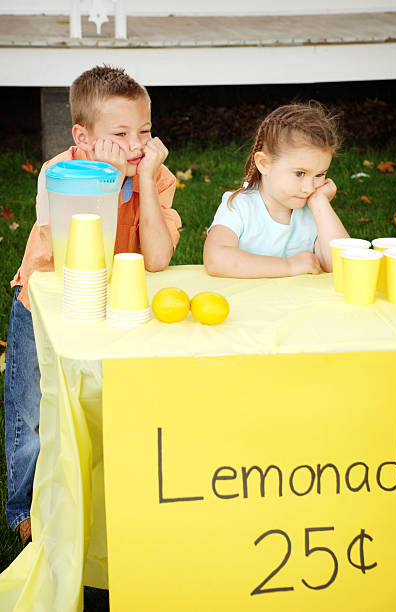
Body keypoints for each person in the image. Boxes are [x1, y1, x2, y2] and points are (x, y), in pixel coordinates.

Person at [4, 65, 181, 547]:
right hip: (44, 304)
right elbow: (80, 251)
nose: (136, 143)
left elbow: (159, 258)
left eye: (144, 131)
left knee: (104, 405)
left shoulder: (156, 176)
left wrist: (141, 178)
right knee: (31, 411)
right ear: (83, 135)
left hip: (113, 306)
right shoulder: (58, 174)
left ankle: (103, 499)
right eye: (120, 133)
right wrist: (111, 179)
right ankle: (23, 508)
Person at [203, 102, 349, 278]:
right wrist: (288, 266)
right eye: (300, 173)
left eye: (320, 175)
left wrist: (320, 204)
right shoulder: (239, 207)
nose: (309, 188)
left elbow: (344, 265)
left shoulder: (313, 211)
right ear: (264, 164)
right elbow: (215, 259)